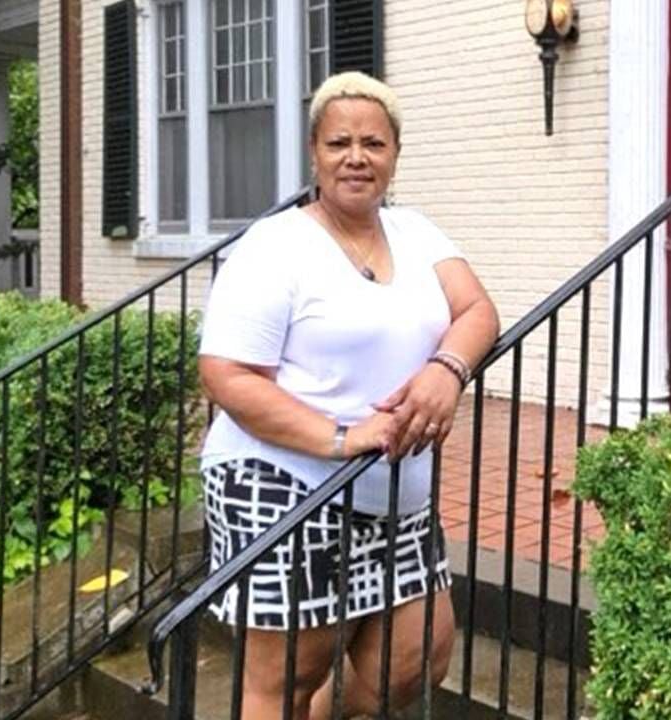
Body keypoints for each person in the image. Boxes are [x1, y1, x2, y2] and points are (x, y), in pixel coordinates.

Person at [197, 71, 500, 719]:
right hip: (286, 482)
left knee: (413, 660)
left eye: (373, 142)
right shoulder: (275, 247)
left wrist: (446, 370)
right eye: (339, 143)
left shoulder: (416, 232)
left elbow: (476, 309)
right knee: (288, 676)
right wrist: (340, 437)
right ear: (314, 153)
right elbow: (227, 374)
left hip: (395, 490)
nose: (356, 157)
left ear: (394, 154)